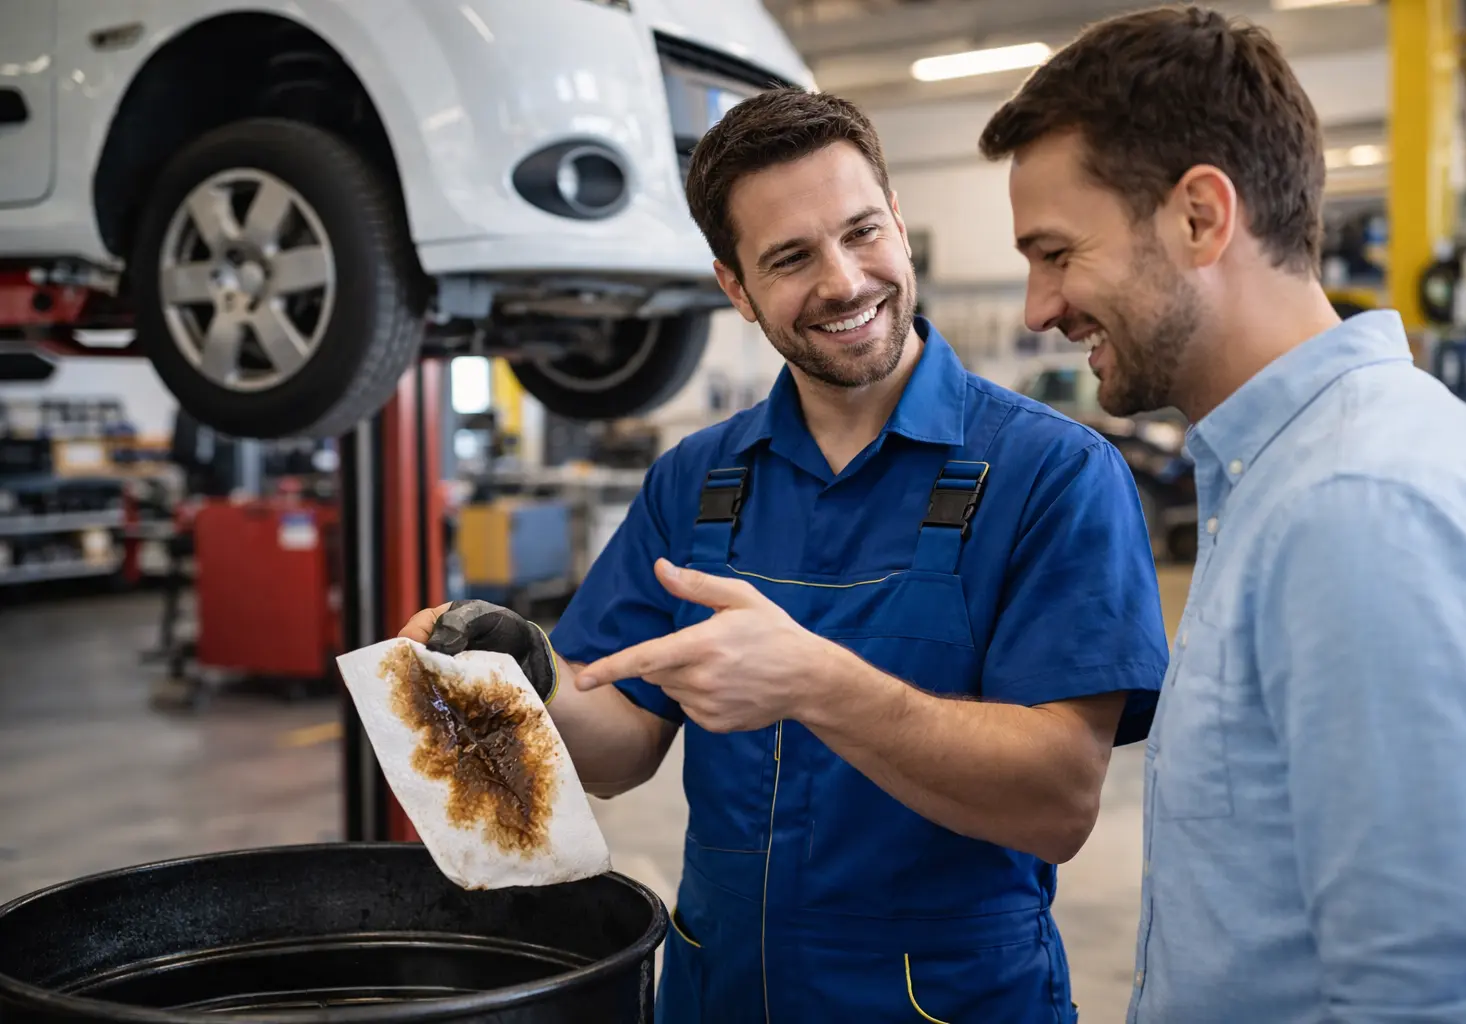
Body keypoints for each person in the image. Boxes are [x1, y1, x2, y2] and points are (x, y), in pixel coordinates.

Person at [401, 88, 1169, 1023]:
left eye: (863, 231)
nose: (845, 281)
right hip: (718, 992)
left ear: (897, 220)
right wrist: (525, 673)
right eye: (792, 257)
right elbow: (621, 749)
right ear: (736, 287)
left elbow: (1057, 803)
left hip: (945, 1003)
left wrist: (816, 683)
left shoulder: (1051, 475)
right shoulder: (695, 480)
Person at [978, 6, 1466, 1023]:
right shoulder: (1279, 482)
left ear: (1200, 217)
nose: (1037, 307)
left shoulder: (1357, 509)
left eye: (1056, 252)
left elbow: (1439, 995)